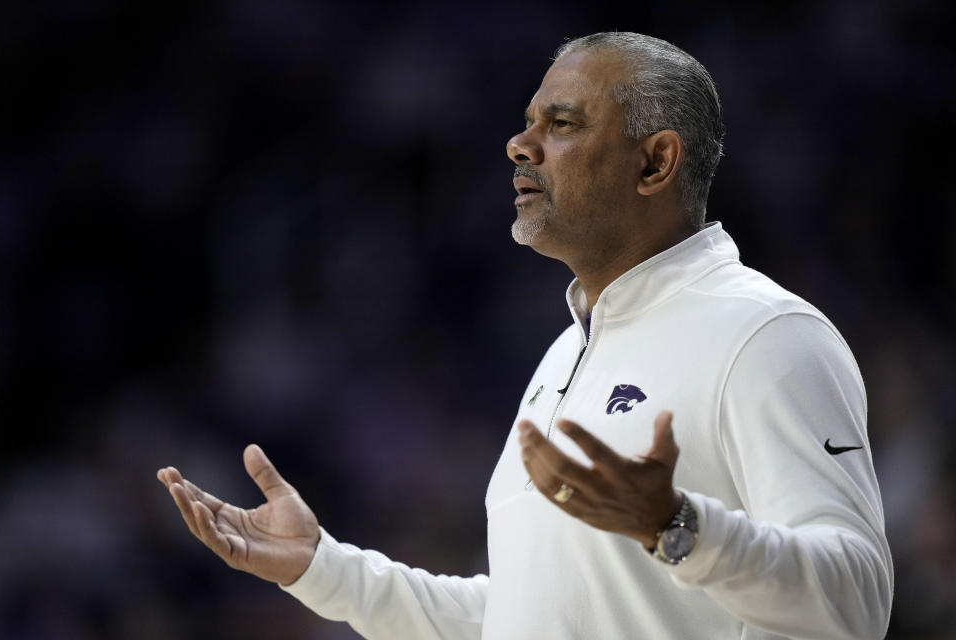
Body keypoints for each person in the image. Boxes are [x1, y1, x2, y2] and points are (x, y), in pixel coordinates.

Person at [157, 32, 893, 639]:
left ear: (655, 162)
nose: (519, 144)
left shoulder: (765, 334)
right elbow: (523, 618)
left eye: (562, 124)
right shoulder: (566, 352)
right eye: (528, 121)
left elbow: (858, 599)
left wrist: (678, 527)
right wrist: (324, 569)